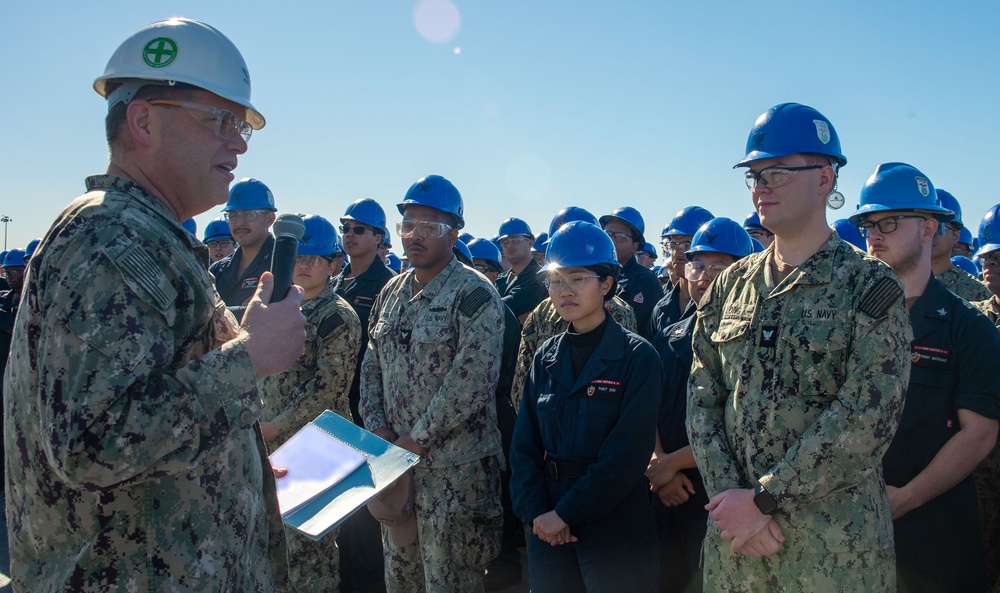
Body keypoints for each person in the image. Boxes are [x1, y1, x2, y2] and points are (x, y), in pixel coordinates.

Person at [3, 18, 307, 592]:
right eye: (221, 120)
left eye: (242, 125)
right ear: (143, 119)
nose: (239, 143)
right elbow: (90, 443)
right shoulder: (109, 237)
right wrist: (250, 358)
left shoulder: (147, 233)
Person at [687, 102, 912, 592]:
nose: (760, 185)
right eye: (754, 173)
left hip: (832, 551)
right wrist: (731, 498)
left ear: (825, 178)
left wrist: (764, 502)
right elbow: (702, 397)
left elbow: (867, 417)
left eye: (777, 172)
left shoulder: (869, 286)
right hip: (736, 552)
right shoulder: (730, 286)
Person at [852, 163, 1000, 593]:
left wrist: (908, 497)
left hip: (936, 538)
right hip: (847, 539)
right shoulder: (846, 322)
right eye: (868, 225)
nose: (874, 235)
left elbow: (979, 434)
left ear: (928, 227)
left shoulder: (967, 326)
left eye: (890, 222)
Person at [361, 174, 505, 593]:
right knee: (401, 579)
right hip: (396, 465)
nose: (415, 236)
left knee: (451, 583)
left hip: (454, 475)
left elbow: (473, 380)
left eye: (429, 227)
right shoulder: (391, 292)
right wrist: (378, 429)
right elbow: (372, 364)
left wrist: (418, 438)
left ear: (454, 232)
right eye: (408, 226)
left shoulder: (474, 294)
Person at [509, 220, 661, 593]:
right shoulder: (546, 356)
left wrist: (565, 514)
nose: (564, 291)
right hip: (548, 524)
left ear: (606, 284)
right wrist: (537, 514)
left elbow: (626, 455)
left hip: (613, 527)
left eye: (577, 279)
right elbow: (524, 445)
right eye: (556, 281)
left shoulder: (637, 357)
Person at [648, 218, 754, 593]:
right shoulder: (670, 335)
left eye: (719, 265)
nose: (705, 275)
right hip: (666, 491)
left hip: (724, 495)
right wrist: (659, 467)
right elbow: (647, 406)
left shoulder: (757, 338)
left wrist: (672, 463)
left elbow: (745, 424)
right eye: (697, 264)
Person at [258, 214, 362, 593]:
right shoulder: (277, 307)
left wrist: (275, 426)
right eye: (297, 257)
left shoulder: (336, 316)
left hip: (315, 445)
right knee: (273, 549)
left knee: (309, 554)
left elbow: (327, 389)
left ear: (333, 264)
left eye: (312, 259)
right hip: (271, 442)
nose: (302, 265)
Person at [510, 206, 637, 411]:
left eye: (578, 278)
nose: (567, 290)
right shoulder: (541, 314)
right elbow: (522, 385)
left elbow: (628, 385)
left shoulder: (619, 313)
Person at [330, 197, 395, 593]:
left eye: (359, 230)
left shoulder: (387, 284)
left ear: (378, 237)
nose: (349, 236)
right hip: (335, 410)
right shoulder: (337, 282)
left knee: (367, 515)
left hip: (367, 409)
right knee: (339, 511)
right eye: (346, 229)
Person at [971, 203, 1000, 593]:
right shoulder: (971, 320)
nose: (990, 265)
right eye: (988, 257)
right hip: (979, 473)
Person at [210, 177, 278, 321]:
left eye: (248, 214)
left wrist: (222, 313)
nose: (239, 222)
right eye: (233, 215)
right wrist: (245, 310)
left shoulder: (284, 264)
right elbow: (202, 316)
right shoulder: (218, 270)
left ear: (269, 219)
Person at [649, 206, 715, 336]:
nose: (678, 251)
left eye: (687, 244)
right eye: (673, 244)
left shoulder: (718, 301)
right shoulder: (661, 307)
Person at [600, 206, 662, 340]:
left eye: (621, 237)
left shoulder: (645, 280)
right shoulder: (595, 273)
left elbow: (631, 326)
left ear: (635, 246)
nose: (612, 240)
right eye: (608, 234)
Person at [933, 189, 992, 302]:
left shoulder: (978, 294)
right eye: (922, 226)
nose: (928, 233)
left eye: (939, 228)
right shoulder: (895, 283)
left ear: (956, 236)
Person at [498, 217, 547, 324]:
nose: (509, 245)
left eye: (515, 240)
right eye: (504, 242)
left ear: (530, 242)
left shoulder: (540, 277)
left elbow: (506, 304)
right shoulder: (501, 279)